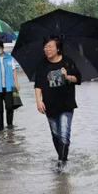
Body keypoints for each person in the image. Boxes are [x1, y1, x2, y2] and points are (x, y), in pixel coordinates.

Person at [34, 36, 82, 170]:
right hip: (49, 105)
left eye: (50, 46)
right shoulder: (42, 64)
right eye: (45, 47)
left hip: (66, 104)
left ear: (58, 48)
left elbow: (78, 79)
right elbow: (38, 85)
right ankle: (62, 159)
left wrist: (67, 77)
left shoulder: (68, 62)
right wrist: (38, 101)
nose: (47, 49)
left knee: (64, 134)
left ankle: (61, 163)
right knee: (56, 135)